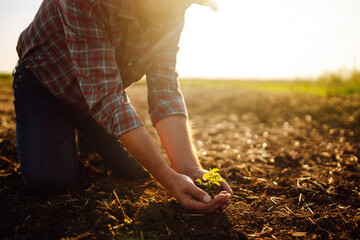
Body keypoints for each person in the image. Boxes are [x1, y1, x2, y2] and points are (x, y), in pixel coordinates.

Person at [13, 0, 232, 213]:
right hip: (44, 85)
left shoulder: (172, 12)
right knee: (49, 182)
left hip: (98, 98)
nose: (178, 11)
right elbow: (106, 95)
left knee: (135, 171)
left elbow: (164, 89)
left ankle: (86, 131)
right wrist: (168, 178)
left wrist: (188, 168)